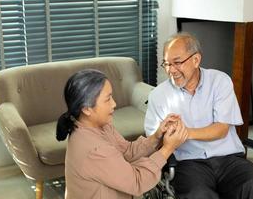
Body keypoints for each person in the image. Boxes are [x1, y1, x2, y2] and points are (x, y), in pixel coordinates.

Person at [144, 32, 253, 199]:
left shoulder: (220, 81)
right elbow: (153, 141)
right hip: (189, 164)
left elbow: (221, 129)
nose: (171, 70)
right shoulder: (158, 95)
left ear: (196, 60)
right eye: (166, 64)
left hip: (229, 160)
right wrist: (163, 133)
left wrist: (184, 133)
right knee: (199, 195)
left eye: (177, 63)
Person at [56, 69, 188, 199]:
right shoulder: (95, 150)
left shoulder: (101, 126)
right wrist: (167, 149)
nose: (114, 104)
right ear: (86, 109)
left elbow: (127, 151)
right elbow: (137, 182)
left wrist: (157, 136)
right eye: (107, 99)